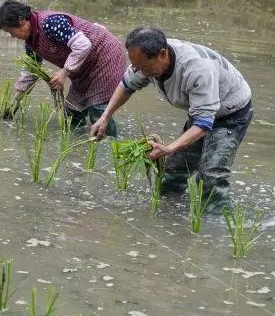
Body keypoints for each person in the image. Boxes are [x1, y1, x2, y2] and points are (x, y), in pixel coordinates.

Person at [91, 27, 253, 214]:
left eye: (144, 67)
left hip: (231, 113)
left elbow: (203, 124)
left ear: (162, 54)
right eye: (136, 67)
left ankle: (217, 226)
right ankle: (167, 212)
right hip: (201, 112)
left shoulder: (197, 69)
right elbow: (126, 85)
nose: (140, 72)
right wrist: (105, 117)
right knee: (175, 169)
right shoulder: (144, 62)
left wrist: (168, 148)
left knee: (211, 174)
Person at [0, 0, 126, 136]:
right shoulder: (31, 43)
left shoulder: (50, 23)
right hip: (83, 68)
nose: (12, 36)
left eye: (11, 31)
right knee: (72, 113)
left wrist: (64, 73)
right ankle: (78, 147)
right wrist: (14, 103)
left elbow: (83, 45)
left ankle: (110, 146)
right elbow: (31, 72)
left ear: (22, 20)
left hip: (105, 56)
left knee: (97, 108)